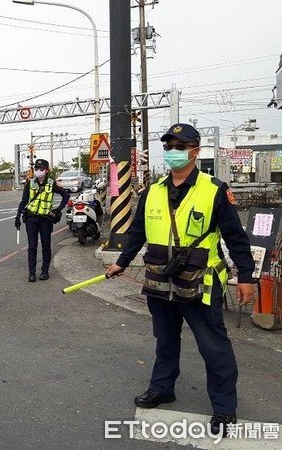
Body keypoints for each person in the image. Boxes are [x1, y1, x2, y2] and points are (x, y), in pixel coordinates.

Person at [105, 123, 255, 437]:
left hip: (201, 284)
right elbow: (137, 234)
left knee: (214, 348)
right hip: (160, 281)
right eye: (169, 146)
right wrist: (121, 262)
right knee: (165, 341)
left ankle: (225, 407)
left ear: (196, 151)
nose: (173, 152)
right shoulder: (152, 191)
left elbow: (236, 238)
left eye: (181, 146)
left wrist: (246, 277)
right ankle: (162, 387)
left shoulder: (214, 189)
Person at [15, 159, 70, 282]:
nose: (38, 171)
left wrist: (58, 209)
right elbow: (24, 201)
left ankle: (45, 271)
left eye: (41, 169)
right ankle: (32, 273)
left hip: (46, 219)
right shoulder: (29, 183)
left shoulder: (52, 183)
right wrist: (17, 216)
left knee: (46, 246)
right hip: (31, 218)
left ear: (47, 170)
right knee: (32, 246)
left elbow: (66, 195)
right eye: (36, 169)